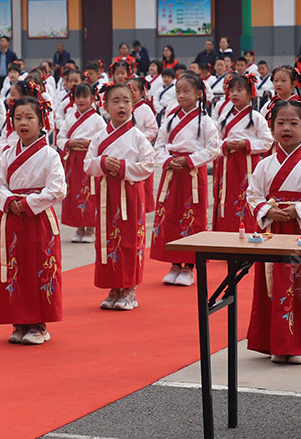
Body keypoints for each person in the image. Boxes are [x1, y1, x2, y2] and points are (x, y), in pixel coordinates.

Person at [245, 98, 301, 363]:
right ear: (272, 128)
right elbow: (252, 194)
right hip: (273, 229)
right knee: (274, 285)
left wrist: (300, 210)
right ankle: (276, 343)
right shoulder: (264, 165)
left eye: (293, 123)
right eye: (280, 123)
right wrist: (266, 210)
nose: (287, 128)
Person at [0, 88, 66, 344]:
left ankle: (39, 324)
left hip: (38, 219)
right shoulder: (7, 154)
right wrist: (9, 200)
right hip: (12, 217)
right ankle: (20, 321)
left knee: (39, 267)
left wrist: (27, 203)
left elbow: (57, 189)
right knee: (16, 268)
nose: (22, 123)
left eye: (29, 117)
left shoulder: (50, 155)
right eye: (17, 118)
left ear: (41, 121)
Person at [79, 83, 153, 311]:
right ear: (105, 106)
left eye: (126, 101)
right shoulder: (99, 136)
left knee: (130, 240)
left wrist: (122, 166)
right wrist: (102, 163)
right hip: (106, 196)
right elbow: (87, 164)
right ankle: (113, 286)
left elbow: (148, 165)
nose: (121, 105)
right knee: (107, 239)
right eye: (116, 101)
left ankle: (129, 288)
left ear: (133, 105)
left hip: (129, 193)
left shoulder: (138, 136)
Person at [151, 72, 222, 286]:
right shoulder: (170, 119)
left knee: (191, 217)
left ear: (199, 93)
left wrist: (190, 160)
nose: (181, 95)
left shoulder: (206, 121)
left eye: (186, 91)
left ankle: (189, 266)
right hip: (172, 174)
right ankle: (173, 263)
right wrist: (167, 161)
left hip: (192, 174)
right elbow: (159, 146)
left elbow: (214, 148)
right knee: (170, 216)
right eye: (178, 91)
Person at [213, 75, 273, 233]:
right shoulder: (224, 118)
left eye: (239, 90)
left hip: (247, 164)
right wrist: (224, 144)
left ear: (249, 93)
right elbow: (214, 142)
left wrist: (246, 144)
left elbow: (267, 141)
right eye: (231, 90)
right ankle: (227, 237)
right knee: (227, 200)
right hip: (228, 165)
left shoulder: (256, 118)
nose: (234, 94)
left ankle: (249, 234)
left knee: (249, 199)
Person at [57, 83, 102, 243]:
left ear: (92, 99)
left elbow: (103, 140)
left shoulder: (97, 119)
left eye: (85, 96)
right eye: (78, 96)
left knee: (89, 193)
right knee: (75, 193)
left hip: (89, 160)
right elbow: (60, 138)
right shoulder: (70, 117)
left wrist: (89, 143)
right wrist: (70, 143)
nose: (81, 100)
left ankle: (90, 229)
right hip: (74, 161)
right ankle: (78, 228)